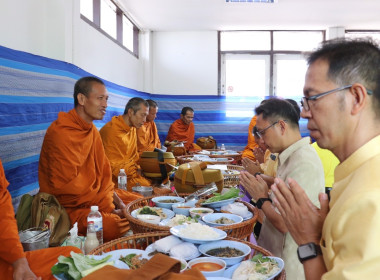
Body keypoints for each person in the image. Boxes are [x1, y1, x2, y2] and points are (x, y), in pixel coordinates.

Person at [271, 38, 380, 280]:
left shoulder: (370, 199)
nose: (305, 112)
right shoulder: (356, 171)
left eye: (313, 99)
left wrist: (308, 241)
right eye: (304, 102)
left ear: (356, 98)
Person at [39, 76, 139, 242]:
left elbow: (104, 176)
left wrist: (118, 203)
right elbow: (68, 191)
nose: (105, 105)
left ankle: (125, 215)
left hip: (97, 201)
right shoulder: (60, 132)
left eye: (106, 99)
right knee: (111, 225)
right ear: (82, 99)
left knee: (137, 203)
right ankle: (125, 219)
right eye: (100, 98)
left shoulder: (92, 131)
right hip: (67, 209)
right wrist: (103, 208)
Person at [239, 98, 325, 279]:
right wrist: (267, 180)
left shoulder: (304, 161)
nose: (261, 140)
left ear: (281, 126)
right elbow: (285, 184)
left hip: (289, 263)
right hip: (277, 254)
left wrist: (261, 198)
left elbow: (285, 224)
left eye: (262, 133)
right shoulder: (291, 155)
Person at [0, 159, 82, 280]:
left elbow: (3, 213)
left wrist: (20, 263)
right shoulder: (61, 139)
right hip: (73, 207)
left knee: (72, 260)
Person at [100, 97, 152, 191]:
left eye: (146, 116)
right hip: (113, 179)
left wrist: (141, 168)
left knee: (152, 181)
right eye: (142, 115)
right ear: (131, 112)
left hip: (129, 174)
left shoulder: (132, 128)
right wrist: (136, 170)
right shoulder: (111, 130)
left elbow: (133, 157)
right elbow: (113, 167)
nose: (145, 120)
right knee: (146, 187)